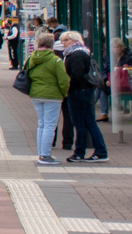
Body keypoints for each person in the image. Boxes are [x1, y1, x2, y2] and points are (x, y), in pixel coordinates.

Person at [25, 31, 71, 165]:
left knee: (41, 124)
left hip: (36, 94)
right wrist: (64, 93)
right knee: (50, 125)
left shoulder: (32, 58)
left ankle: (41, 153)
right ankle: (45, 155)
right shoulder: (55, 60)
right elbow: (63, 80)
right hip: (52, 95)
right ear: (51, 45)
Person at [62, 31, 108, 162]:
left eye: (66, 40)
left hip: (78, 91)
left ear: (75, 40)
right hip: (84, 90)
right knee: (88, 121)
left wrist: (67, 87)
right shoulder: (81, 52)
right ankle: (100, 151)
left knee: (80, 123)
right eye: (63, 40)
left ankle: (80, 152)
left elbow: (77, 75)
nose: (63, 43)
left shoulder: (76, 54)